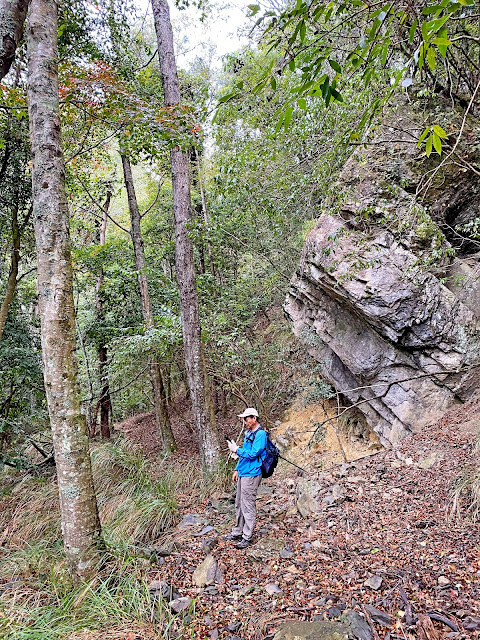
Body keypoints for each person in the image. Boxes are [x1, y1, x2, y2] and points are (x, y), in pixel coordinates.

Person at [225, 408, 267, 549]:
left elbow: (253, 454)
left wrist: (236, 450)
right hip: (243, 472)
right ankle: (237, 532)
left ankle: (247, 536)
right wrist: (237, 469)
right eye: (244, 419)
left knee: (248, 504)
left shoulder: (261, 434)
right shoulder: (248, 433)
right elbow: (244, 454)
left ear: (254, 418)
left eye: (246, 418)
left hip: (253, 473)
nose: (245, 421)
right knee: (238, 502)